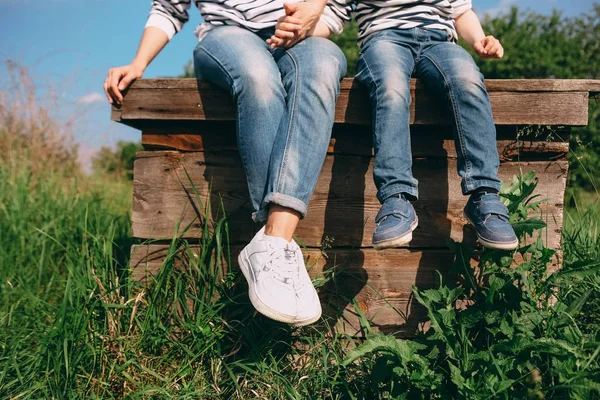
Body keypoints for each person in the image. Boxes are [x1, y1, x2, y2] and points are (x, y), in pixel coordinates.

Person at [104, 0, 350, 326]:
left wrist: (311, 19)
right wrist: (138, 63)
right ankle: (278, 246)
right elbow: (168, 8)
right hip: (228, 36)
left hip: (305, 34)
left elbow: (337, 5)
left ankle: (273, 241)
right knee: (258, 77)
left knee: (323, 67)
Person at [272, 0, 518, 251]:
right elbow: (333, 16)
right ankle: (395, 199)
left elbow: (460, 10)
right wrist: (299, 29)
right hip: (384, 40)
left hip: (441, 42)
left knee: (467, 81)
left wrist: (479, 39)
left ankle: (484, 195)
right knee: (391, 88)